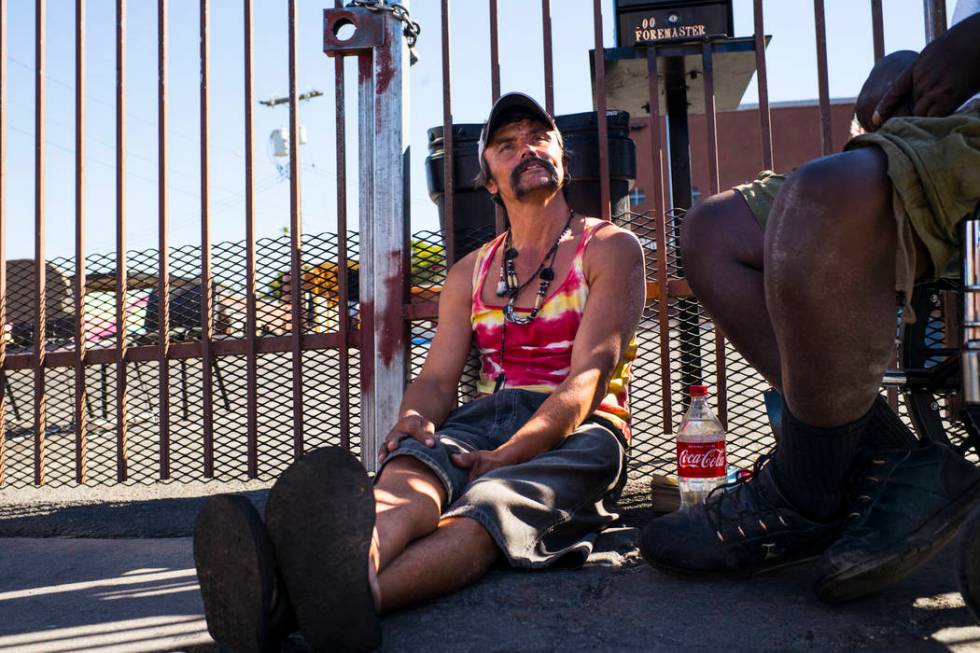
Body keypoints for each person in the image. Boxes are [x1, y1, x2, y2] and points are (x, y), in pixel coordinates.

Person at [192, 92, 645, 652]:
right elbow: (436, 381)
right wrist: (412, 421)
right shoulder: (468, 273)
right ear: (489, 181)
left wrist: (510, 455)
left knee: (490, 509)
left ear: (562, 159)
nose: (527, 148)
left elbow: (589, 377)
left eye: (539, 137)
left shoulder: (610, 247)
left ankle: (298, 605)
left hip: (582, 430)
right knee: (410, 476)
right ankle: (320, 595)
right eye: (507, 145)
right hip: (484, 418)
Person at [640, 1, 980, 604]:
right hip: (937, 132)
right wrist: (905, 71)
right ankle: (884, 458)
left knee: (820, 196)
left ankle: (804, 490)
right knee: (713, 230)